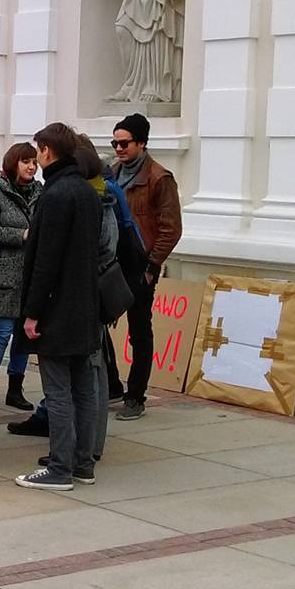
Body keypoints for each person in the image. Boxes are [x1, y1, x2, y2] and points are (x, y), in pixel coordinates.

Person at [14, 123, 106, 492]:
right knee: (83, 388)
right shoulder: (86, 191)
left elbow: (46, 260)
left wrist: (33, 312)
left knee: (58, 390)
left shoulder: (56, 195)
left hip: (58, 308)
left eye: (38, 149)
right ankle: (82, 463)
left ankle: (60, 467)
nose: (36, 156)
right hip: (84, 306)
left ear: (48, 151)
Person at [108, 113, 182, 421]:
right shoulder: (112, 173)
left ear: (141, 143)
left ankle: (135, 395)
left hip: (140, 264)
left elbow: (171, 228)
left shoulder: (159, 178)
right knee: (100, 324)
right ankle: (111, 385)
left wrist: (152, 265)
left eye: (124, 143)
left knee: (139, 330)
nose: (118, 149)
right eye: (115, 143)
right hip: (112, 260)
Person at [0, 142, 41, 418]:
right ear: (13, 162)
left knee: (24, 335)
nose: (32, 167)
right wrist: (21, 235)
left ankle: (15, 389)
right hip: (5, 273)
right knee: (2, 333)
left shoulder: (39, 191)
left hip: (31, 274)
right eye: (26, 161)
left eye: (34, 162)